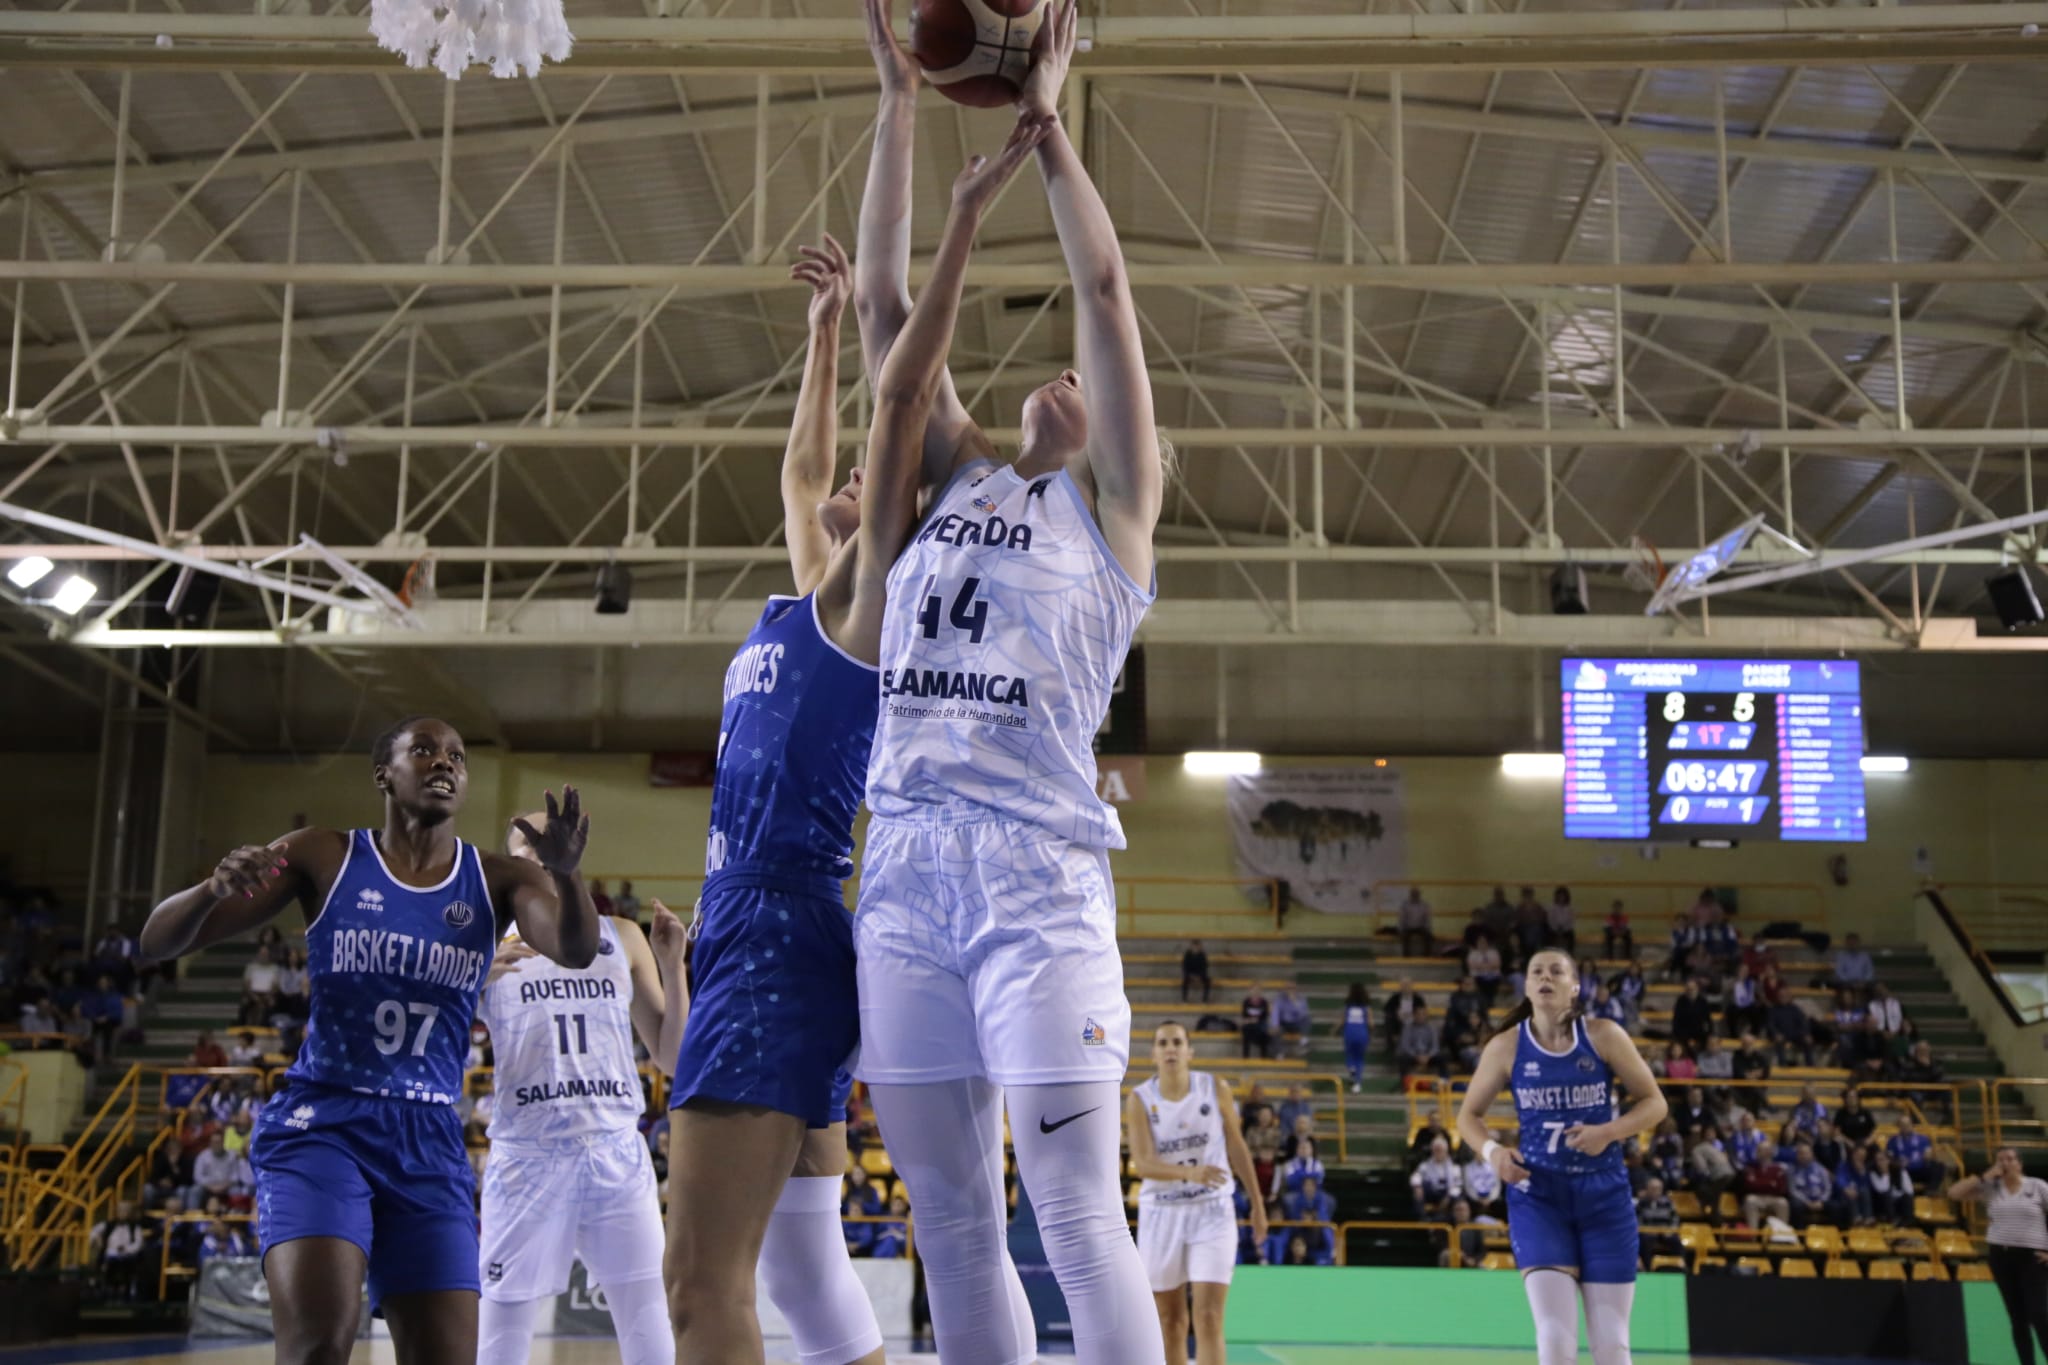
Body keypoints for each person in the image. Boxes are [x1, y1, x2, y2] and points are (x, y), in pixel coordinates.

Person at [851, 2, 1171, 1354]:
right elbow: (882, 313)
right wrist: (898, 103)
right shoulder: (956, 481)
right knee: (951, 1221)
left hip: (1038, 875)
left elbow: (1103, 292)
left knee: (1076, 1215)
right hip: (908, 860)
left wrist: (1047, 128)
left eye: (1083, 389)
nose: (1061, 374)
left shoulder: (1114, 517)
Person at [138, 720, 604, 1365]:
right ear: (384, 774)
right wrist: (211, 889)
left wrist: (568, 876)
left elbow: (577, 951)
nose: (444, 763)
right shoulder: (323, 854)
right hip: (324, 1125)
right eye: (424, 751)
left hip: (428, 1138)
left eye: (457, 757)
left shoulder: (496, 879)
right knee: (317, 1348)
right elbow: (158, 942)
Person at [661, 230, 901, 1365]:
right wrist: (818, 340)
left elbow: (875, 458)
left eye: (877, 478)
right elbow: (803, 475)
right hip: (754, 930)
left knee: (701, 1287)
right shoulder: (799, 603)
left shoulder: (866, 612)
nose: (844, 480)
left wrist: (873, 321)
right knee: (805, 1272)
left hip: (772, 928)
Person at [471, 818, 686, 1365]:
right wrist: (464, 984)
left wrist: (672, 967)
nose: (545, 854)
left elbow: (671, 1056)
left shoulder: (622, 935)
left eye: (554, 844)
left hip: (615, 1149)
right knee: (502, 1328)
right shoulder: (482, 943)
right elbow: (434, 1052)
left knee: (649, 1320)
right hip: (528, 1157)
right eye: (530, 846)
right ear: (511, 865)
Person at [1455, 948, 1668, 1365]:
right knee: (1554, 1341)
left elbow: (1654, 1103)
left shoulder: (1605, 1035)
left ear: (1575, 987)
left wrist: (1608, 1132)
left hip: (1604, 1196)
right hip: (1539, 1197)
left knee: (1612, 1345)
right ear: (1528, 987)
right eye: (1536, 971)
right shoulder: (1506, 1047)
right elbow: (1468, 1117)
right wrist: (1493, 1152)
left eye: (1556, 971)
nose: (1545, 977)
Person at [1127, 1022, 1266, 1365]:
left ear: (1190, 1051)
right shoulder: (1140, 1098)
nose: (1170, 1048)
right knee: (1170, 1321)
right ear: (1154, 1054)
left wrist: (1259, 1205)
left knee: (1209, 1317)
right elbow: (1143, 1164)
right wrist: (1189, 1172)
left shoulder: (1214, 1088)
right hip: (1162, 1212)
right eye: (1163, 1043)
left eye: (1177, 1042)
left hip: (1212, 1210)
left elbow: (1237, 1146)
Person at [1951, 1149, 2048, 1365]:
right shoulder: (1991, 1188)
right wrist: (1985, 1176)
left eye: (2010, 1159)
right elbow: (1954, 1193)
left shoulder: (2037, 1186)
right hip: (2001, 1256)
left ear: (2020, 1164)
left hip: (2033, 1257)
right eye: (2000, 1160)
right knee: (2017, 1318)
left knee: (2040, 1315)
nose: (2005, 1163)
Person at [1410, 1136, 1462, 1219]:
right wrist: (1417, 1187)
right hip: (1431, 1192)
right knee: (1418, 1193)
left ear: (1446, 1151)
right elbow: (1416, 1176)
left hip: (1446, 1194)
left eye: (1440, 1150)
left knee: (1458, 1197)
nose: (1438, 1153)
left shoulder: (1454, 1167)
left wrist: (1448, 1197)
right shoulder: (1425, 1165)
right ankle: (1423, 1220)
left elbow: (1457, 1186)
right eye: (1436, 1150)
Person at [1785, 1141, 1832, 1229]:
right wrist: (1807, 1202)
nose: (1804, 1156)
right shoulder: (1791, 1170)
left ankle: (1837, 1237)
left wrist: (1821, 1201)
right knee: (1795, 1205)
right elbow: (1792, 1190)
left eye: (1806, 1153)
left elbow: (1827, 1188)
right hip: (1802, 1201)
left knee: (1836, 1206)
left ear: (1812, 1154)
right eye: (1801, 1153)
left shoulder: (1821, 1169)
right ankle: (1801, 1236)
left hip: (1820, 1200)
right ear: (1797, 1155)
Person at [1398, 1004, 1444, 1083]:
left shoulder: (1431, 1028)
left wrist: (1428, 1056)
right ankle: (1404, 1084)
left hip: (1428, 1056)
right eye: (1418, 1014)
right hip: (1413, 1055)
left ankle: (1443, 1083)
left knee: (1442, 1058)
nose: (1421, 1016)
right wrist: (1416, 1056)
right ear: (1414, 1015)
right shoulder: (1407, 1028)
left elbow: (1435, 1046)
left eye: (1423, 1014)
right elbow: (1405, 1046)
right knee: (1402, 1059)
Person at [1339, 983, 1371, 1093]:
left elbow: (1342, 1021)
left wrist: (1333, 1030)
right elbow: (1371, 1023)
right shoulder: (1366, 1007)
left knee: (1349, 1054)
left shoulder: (1347, 1006)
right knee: (1359, 1058)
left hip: (1349, 1032)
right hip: (1362, 1033)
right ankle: (1357, 1084)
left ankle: (1351, 1068)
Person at [1274, 987, 1311, 1060]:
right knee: (1276, 1029)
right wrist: (1275, 1025)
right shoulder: (1281, 1000)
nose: (1291, 992)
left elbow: (1303, 1014)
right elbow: (1276, 1013)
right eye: (1289, 990)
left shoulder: (1301, 1000)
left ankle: (1303, 1042)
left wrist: (1295, 1003)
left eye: (1293, 990)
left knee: (1306, 1019)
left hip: (1296, 1023)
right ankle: (1280, 1052)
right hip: (1284, 1024)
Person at [1396, 887, 1433, 959]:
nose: (1415, 895)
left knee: (1429, 937)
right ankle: (1406, 957)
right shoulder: (1405, 905)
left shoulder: (1424, 905)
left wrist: (1428, 930)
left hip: (1420, 927)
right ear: (1411, 895)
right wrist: (1400, 930)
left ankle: (1427, 956)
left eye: (1416, 894)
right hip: (1408, 927)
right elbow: (1402, 919)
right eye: (1413, 894)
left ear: (1419, 895)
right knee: (1404, 937)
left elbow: (1427, 919)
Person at [1238, 987, 1273, 1060]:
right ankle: (1245, 1057)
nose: (1255, 993)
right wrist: (1251, 1020)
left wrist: (1255, 1020)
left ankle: (1264, 1057)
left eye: (1257, 991)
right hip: (1249, 1024)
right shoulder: (1246, 1002)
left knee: (1264, 1033)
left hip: (1260, 1024)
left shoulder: (1264, 1002)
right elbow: (1244, 1016)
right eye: (1253, 991)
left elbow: (1264, 1016)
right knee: (1246, 1030)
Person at [1547, 888, 1577, 954]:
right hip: (1554, 930)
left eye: (1563, 896)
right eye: (1559, 896)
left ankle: (1570, 954)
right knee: (1549, 937)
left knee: (1571, 937)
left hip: (1566, 930)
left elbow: (1571, 922)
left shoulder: (1569, 909)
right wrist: (1556, 929)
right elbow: (1550, 921)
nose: (1561, 898)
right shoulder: (1552, 908)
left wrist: (1564, 929)